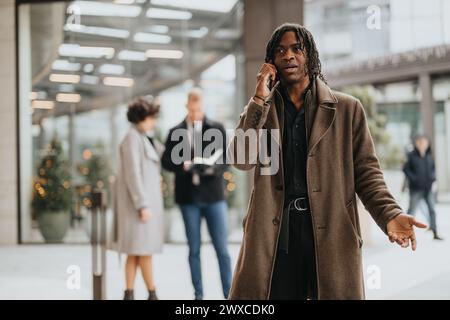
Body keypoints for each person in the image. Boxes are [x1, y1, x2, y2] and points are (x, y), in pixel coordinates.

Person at [227, 23, 427, 300]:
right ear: (270, 61)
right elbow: (240, 159)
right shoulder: (262, 111)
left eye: (297, 48)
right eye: (280, 51)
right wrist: (259, 98)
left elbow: (367, 174)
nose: (289, 56)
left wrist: (389, 214)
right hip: (276, 237)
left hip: (330, 232)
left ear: (311, 55)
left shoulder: (347, 109)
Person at [162, 88, 232, 300]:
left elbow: (226, 161)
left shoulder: (217, 128)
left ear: (203, 107)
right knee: (194, 250)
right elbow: (166, 161)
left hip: (214, 197)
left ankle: (229, 295)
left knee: (222, 249)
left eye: (199, 109)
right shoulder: (176, 131)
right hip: (188, 198)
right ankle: (198, 296)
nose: (195, 114)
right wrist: (183, 166)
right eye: (192, 110)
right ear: (187, 107)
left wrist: (210, 169)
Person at [111, 96, 164, 300]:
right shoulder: (133, 138)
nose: (154, 121)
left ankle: (129, 294)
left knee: (134, 252)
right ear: (142, 117)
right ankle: (152, 294)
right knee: (144, 252)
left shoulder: (140, 137)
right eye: (152, 117)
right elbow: (133, 174)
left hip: (140, 206)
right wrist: (142, 204)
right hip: (139, 207)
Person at [403, 134, 443, 240]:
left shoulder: (429, 156)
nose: (422, 144)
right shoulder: (411, 155)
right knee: (411, 211)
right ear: (417, 143)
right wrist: (414, 179)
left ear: (427, 144)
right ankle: (405, 234)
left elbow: (433, 170)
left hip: (428, 188)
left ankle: (435, 232)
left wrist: (433, 180)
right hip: (415, 189)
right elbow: (406, 169)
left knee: (432, 210)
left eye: (424, 142)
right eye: (420, 142)